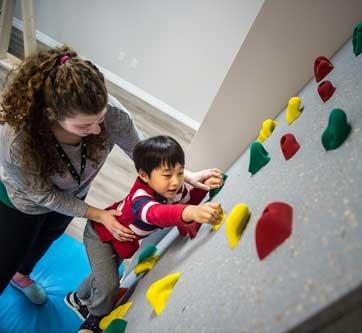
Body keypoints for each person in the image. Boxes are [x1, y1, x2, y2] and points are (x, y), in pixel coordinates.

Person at [0, 46, 223, 304]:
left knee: (47, 237)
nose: (97, 130)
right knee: (7, 256)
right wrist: (99, 214)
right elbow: (43, 195)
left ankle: (22, 274)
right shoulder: (17, 139)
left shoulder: (112, 116)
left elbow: (142, 152)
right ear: (51, 115)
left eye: (100, 118)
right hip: (23, 203)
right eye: (84, 126)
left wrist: (184, 175)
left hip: (74, 195)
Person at [65, 135, 222, 333]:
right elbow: (156, 214)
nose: (175, 182)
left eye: (180, 173)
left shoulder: (176, 190)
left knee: (105, 272)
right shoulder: (141, 197)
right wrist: (190, 212)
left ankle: (77, 298)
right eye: (167, 175)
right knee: (110, 282)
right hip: (100, 236)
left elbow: (187, 202)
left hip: (122, 240)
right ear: (144, 175)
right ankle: (94, 318)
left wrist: (205, 187)